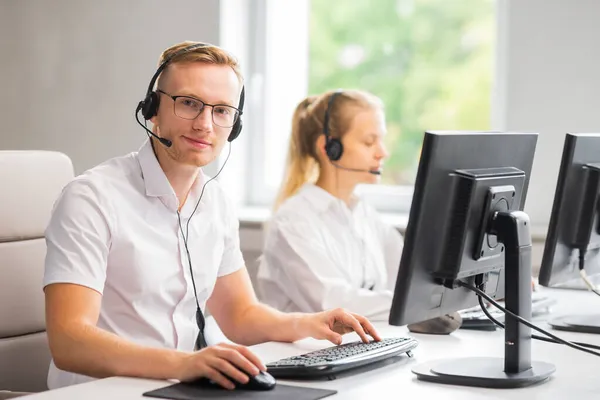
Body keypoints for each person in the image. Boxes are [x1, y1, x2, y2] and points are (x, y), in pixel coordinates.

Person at [43, 42, 381, 391]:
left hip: (175, 388)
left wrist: (311, 323)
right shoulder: (92, 198)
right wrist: (187, 363)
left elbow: (239, 315)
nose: (205, 124)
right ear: (153, 109)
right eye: (189, 104)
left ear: (234, 125)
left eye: (222, 111)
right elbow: (69, 342)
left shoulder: (215, 203)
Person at [257, 90, 404, 321]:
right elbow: (334, 304)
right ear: (329, 148)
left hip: (356, 346)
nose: (383, 152)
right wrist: (410, 307)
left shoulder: (365, 215)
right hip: (303, 352)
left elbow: (407, 275)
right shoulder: (294, 221)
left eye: (381, 140)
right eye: (369, 142)